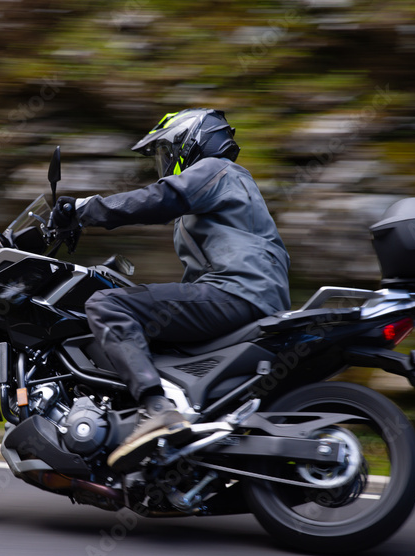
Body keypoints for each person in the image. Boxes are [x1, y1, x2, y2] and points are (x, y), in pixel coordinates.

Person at [50, 108, 291, 471]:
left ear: (190, 143)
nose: (164, 162)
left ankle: (157, 409)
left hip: (236, 292)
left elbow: (158, 199)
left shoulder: (216, 171)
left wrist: (83, 209)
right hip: (247, 294)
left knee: (107, 305)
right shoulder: (224, 189)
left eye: (166, 151)